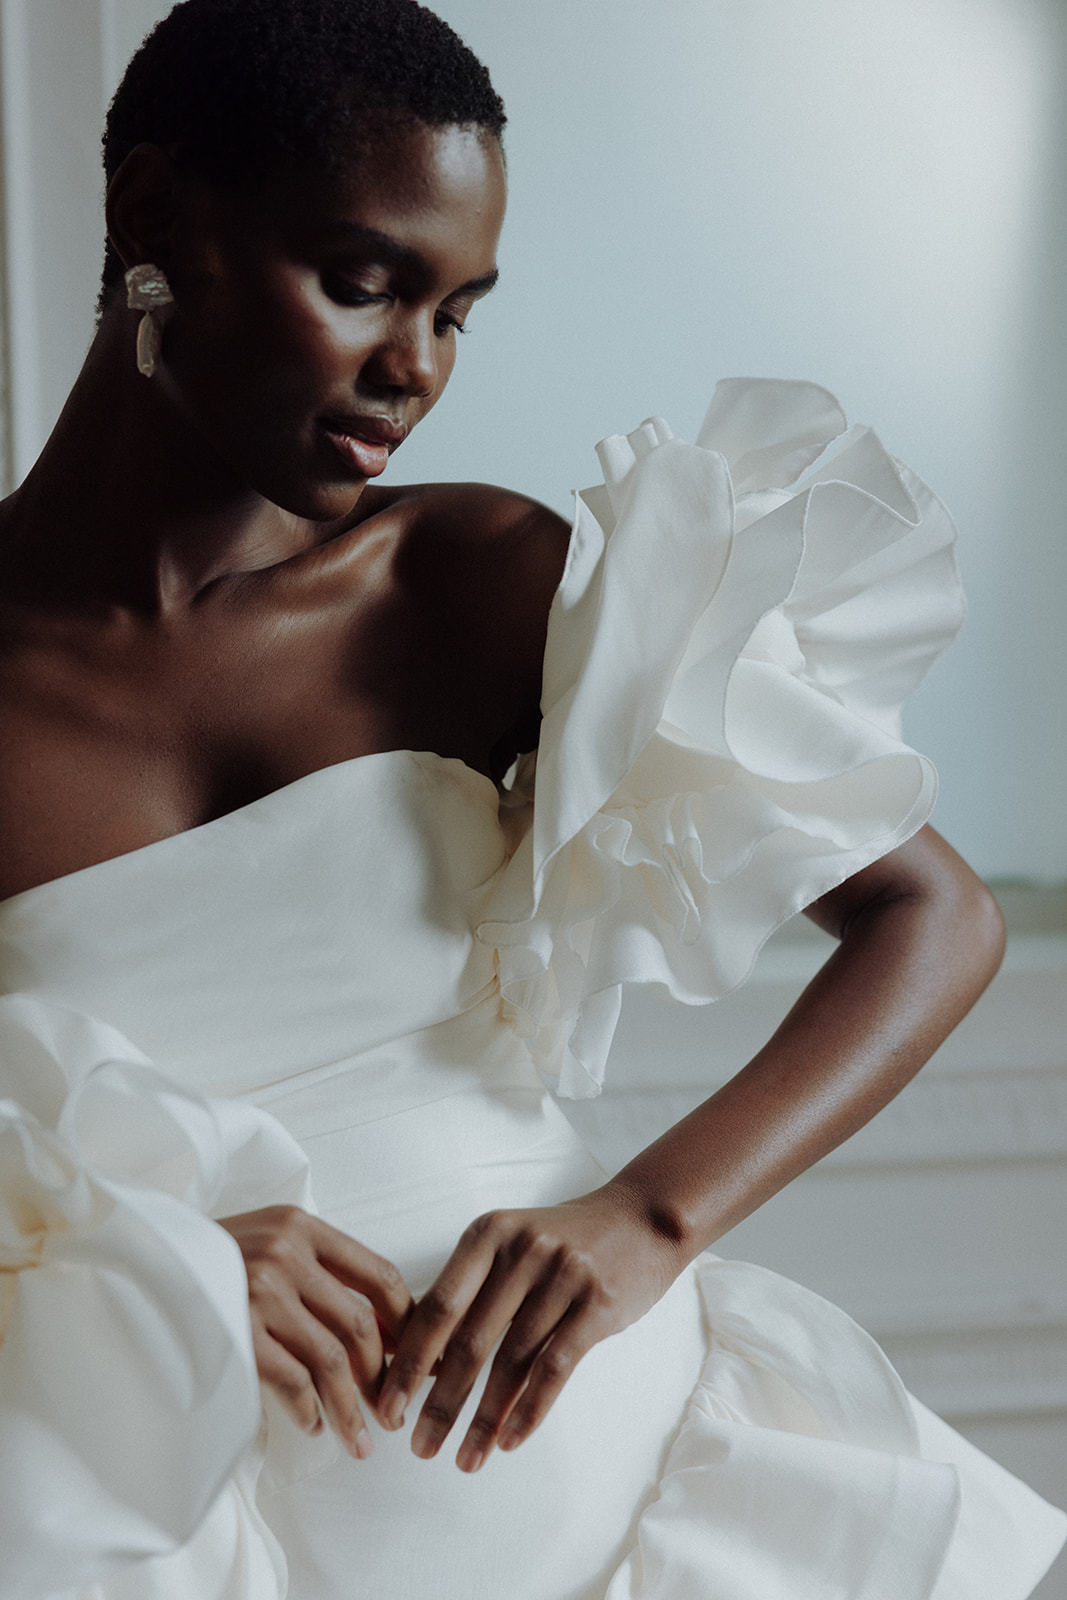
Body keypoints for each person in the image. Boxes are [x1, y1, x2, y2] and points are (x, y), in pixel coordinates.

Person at [0, 1, 1063, 1597]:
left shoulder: (468, 586)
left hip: (648, 1522)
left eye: (457, 312)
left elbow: (935, 914)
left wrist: (648, 1215)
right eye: (360, 284)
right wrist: (155, 1261)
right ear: (156, 218)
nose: (413, 368)